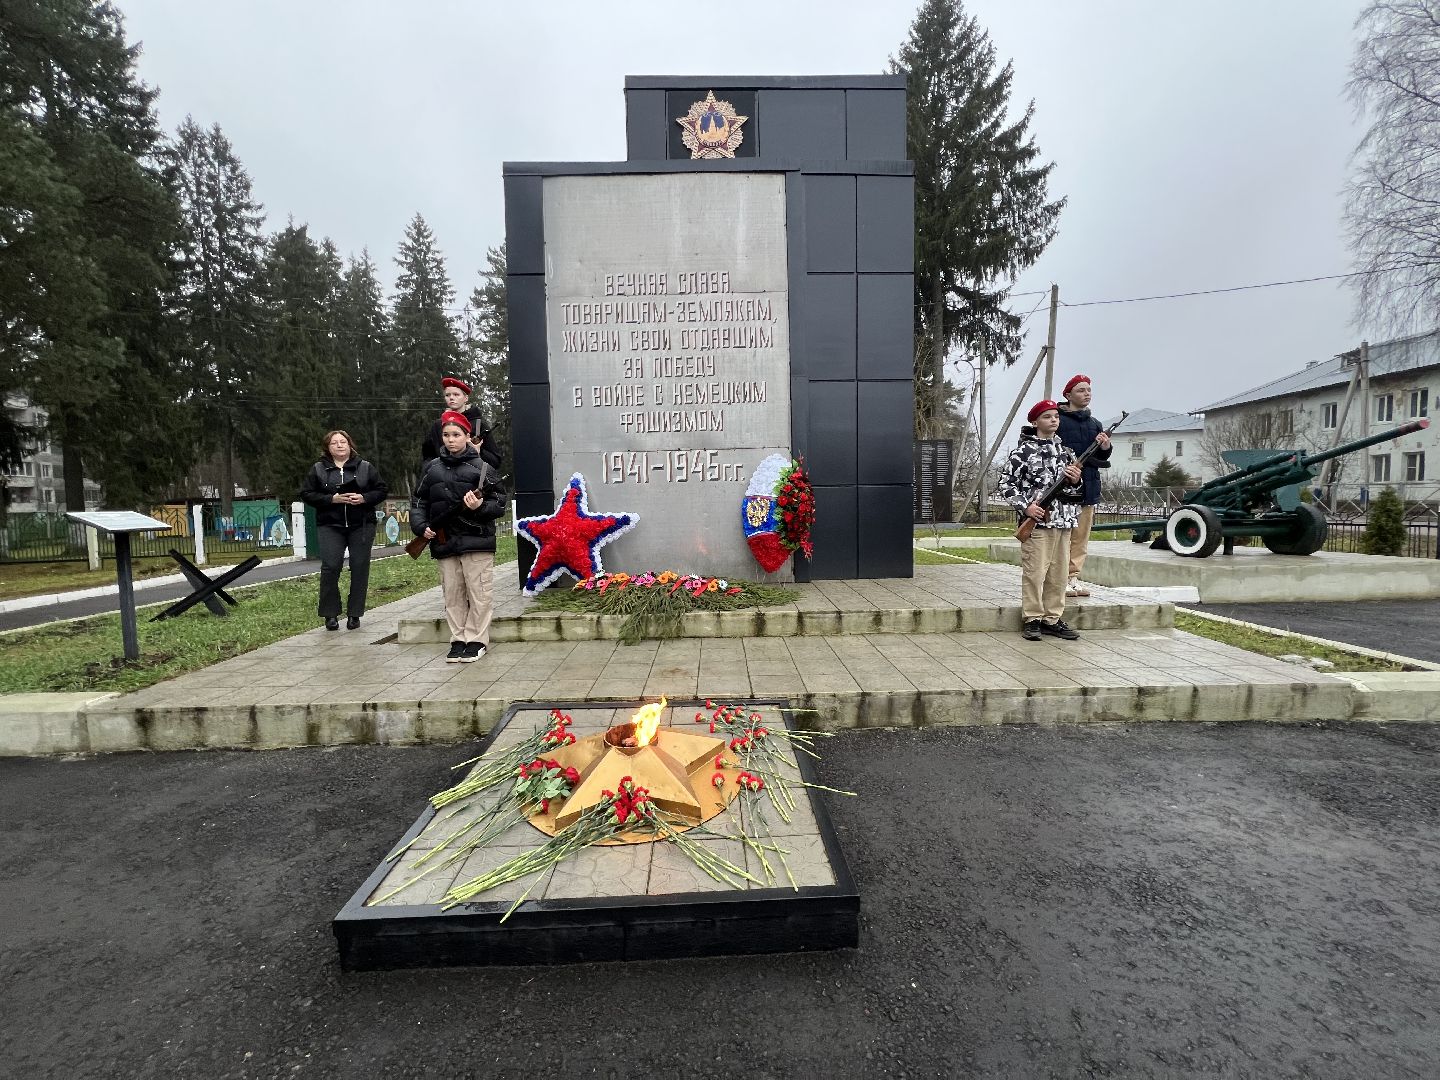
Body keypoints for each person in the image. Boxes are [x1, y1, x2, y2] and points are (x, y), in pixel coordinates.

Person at [411, 410, 507, 663]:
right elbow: (419, 500)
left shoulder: (483, 468)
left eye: (456, 434)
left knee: (478, 593)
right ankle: (458, 639)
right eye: (446, 435)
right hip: (444, 541)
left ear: (468, 436)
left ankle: (476, 640)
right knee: (452, 593)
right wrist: (420, 527)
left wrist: (479, 507)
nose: (451, 440)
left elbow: (499, 503)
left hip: (476, 540)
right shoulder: (432, 468)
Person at [997, 400, 1083, 641]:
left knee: (1058, 574)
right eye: (1047, 416)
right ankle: (1033, 618)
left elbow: (1078, 491)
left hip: (1064, 522)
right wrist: (1027, 507)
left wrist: (1076, 480)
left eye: (1056, 416)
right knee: (1035, 573)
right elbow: (1006, 484)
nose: (1054, 420)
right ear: (1035, 422)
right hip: (1038, 522)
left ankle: (1051, 619)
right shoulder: (1023, 452)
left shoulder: (1067, 452)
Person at [301, 430, 388, 631]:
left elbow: (381, 490)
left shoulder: (365, 467)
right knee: (331, 567)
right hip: (330, 525)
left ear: (350, 445)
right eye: (334, 443)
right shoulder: (318, 469)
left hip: (362, 525)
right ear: (328, 448)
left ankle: (354, 613)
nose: (339, 446)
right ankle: (330, 614)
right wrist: (331, 499)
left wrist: (364, 498)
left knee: (359, 567)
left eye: (343, 442)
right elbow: (307, 493)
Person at [1056, 374, 1112, 597]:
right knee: (1062, 536)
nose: (1086, 393)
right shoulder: (1057, 420)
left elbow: (1101, 456)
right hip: (1064, 489)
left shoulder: (1094, 423)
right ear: (1068, 395)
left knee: (1080, 537)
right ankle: (1057, 578)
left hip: (1088, 487)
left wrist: (1105, 446)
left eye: (1088, 390)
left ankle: (1073, 577)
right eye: (1081, 390)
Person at [421, 377, 501, 470]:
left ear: (465, 398)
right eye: (447, 395)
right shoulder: (438, 425)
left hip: (472, 481)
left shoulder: (479, 424)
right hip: (444, 481)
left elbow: (495, 461)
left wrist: (478, 452)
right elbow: (428, 456)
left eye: (456, 394)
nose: (451, 398)